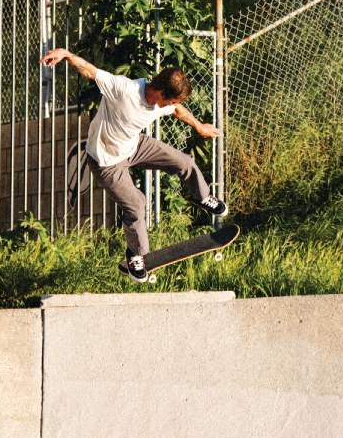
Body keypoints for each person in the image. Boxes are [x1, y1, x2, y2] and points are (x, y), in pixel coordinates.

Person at [41, 48, 227, 282]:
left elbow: (178, 109)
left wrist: (199, 126)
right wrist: (67, 55)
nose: (171, 105)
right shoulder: (123, 89)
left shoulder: (161, 102)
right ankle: (136, 255)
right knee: (137, 204)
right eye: (169, 100)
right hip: (106, 161)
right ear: (159, 92)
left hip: (134, 145)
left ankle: (203, 197)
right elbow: (91, 72)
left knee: (185, 162)